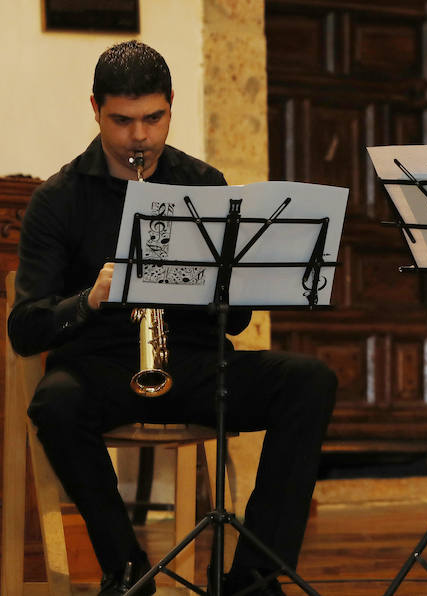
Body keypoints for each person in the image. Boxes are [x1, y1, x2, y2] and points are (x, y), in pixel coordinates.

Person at [7, 40, 338, 596]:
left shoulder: (203, 185)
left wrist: (224, 284)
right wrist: (90, 298)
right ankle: (127, 566)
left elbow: (234, 324)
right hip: (100, 366)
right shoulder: (59, 199)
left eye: (154, 118)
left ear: (171, 106)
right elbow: (25, 329)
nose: (140, 136)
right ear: (95, 109)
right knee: (55, 404)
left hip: (190, 364)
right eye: (123, 120)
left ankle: (255, 574)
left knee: (310, 381)